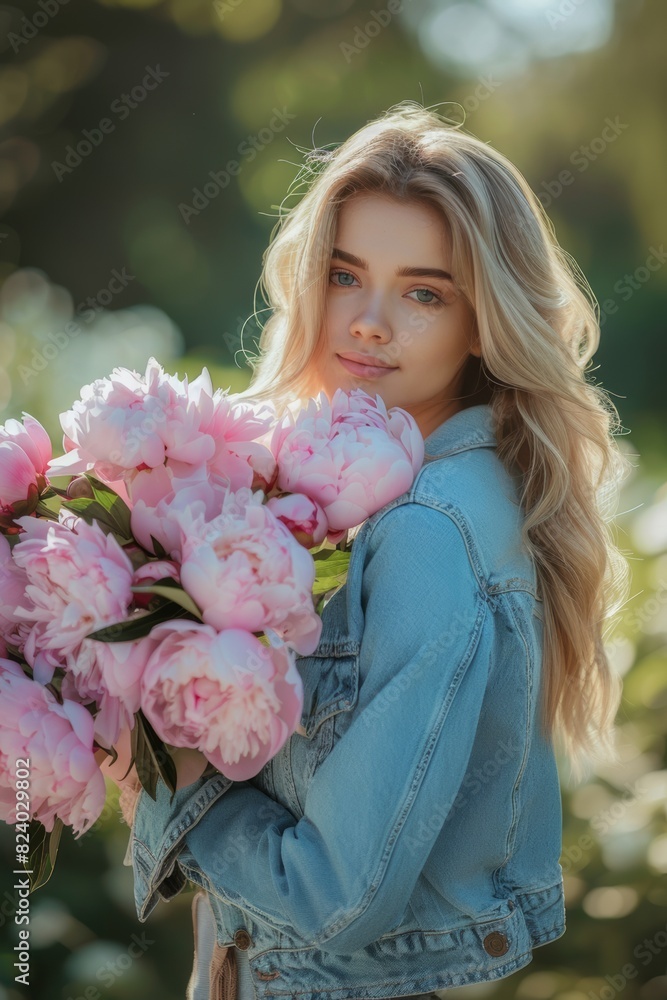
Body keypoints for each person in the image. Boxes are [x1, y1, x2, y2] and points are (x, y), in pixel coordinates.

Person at [100, 101, 631, 1000]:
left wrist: (163, 785)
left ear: (486, 320)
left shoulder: (426, 530)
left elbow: (336, 897)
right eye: (346, 275)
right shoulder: (374, 490)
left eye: (424, 292)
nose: (370, 321)